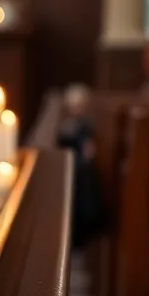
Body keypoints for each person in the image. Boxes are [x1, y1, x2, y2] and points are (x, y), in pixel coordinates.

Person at [57, 84, 106, 248]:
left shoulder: (87, 128)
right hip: (70, 174)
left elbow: (89, 150)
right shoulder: (66, 128)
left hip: (82, 177)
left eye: (81, 106)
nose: (78, 109)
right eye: (74, 106)